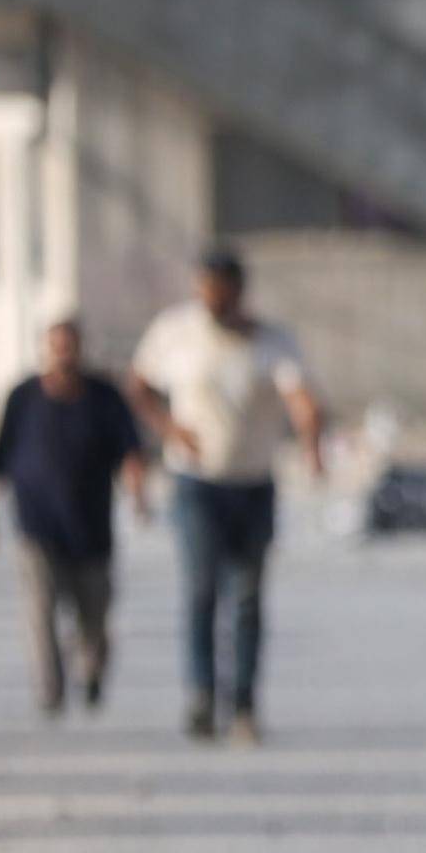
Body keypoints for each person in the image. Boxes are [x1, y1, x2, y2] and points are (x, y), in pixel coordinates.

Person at [127, 247, 325, 746]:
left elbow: (300, 396)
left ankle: (243, 704)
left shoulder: (272, 340)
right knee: (201, 591)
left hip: (253, 484)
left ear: (239, 290)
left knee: (249, 597)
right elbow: (139, 384)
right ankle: (200, 694)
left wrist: (311, 443)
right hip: (197, 484)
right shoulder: (177, 333)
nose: (212, 299)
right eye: (204, 288)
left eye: (221, 289)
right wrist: (168, 427)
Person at [0, 317, 150, 716]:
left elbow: (131, 450)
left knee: (95, 619)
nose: (63, 354)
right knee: (39, 611)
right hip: (36, 526)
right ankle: (50, 691)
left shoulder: (104, 396)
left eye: (69, 345)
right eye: (56, 346)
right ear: (45, 350)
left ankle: (89, 673)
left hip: (92, 529)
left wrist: (138, 492)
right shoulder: (22, 397)